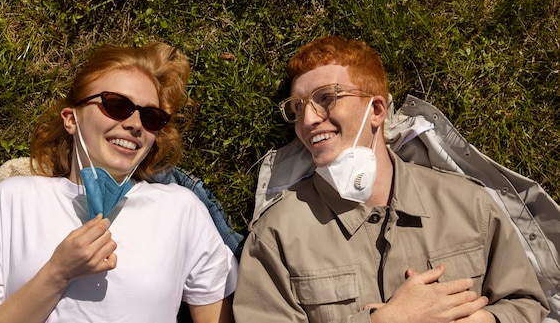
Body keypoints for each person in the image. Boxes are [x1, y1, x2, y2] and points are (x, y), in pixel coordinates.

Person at [233, 36, 549, 322]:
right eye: (297, 107)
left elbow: (527, 303)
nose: (308, 119)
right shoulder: (276, 236)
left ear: (377, 110)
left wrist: (486, 322)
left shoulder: (469, 205)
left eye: (326, 98)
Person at [0, 42, 237, 323]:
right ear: (71, 119)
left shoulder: (181, 210)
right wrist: (58, 273)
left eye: (151, 117)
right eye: (117, 105)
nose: (135, 124)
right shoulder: (12, 200)